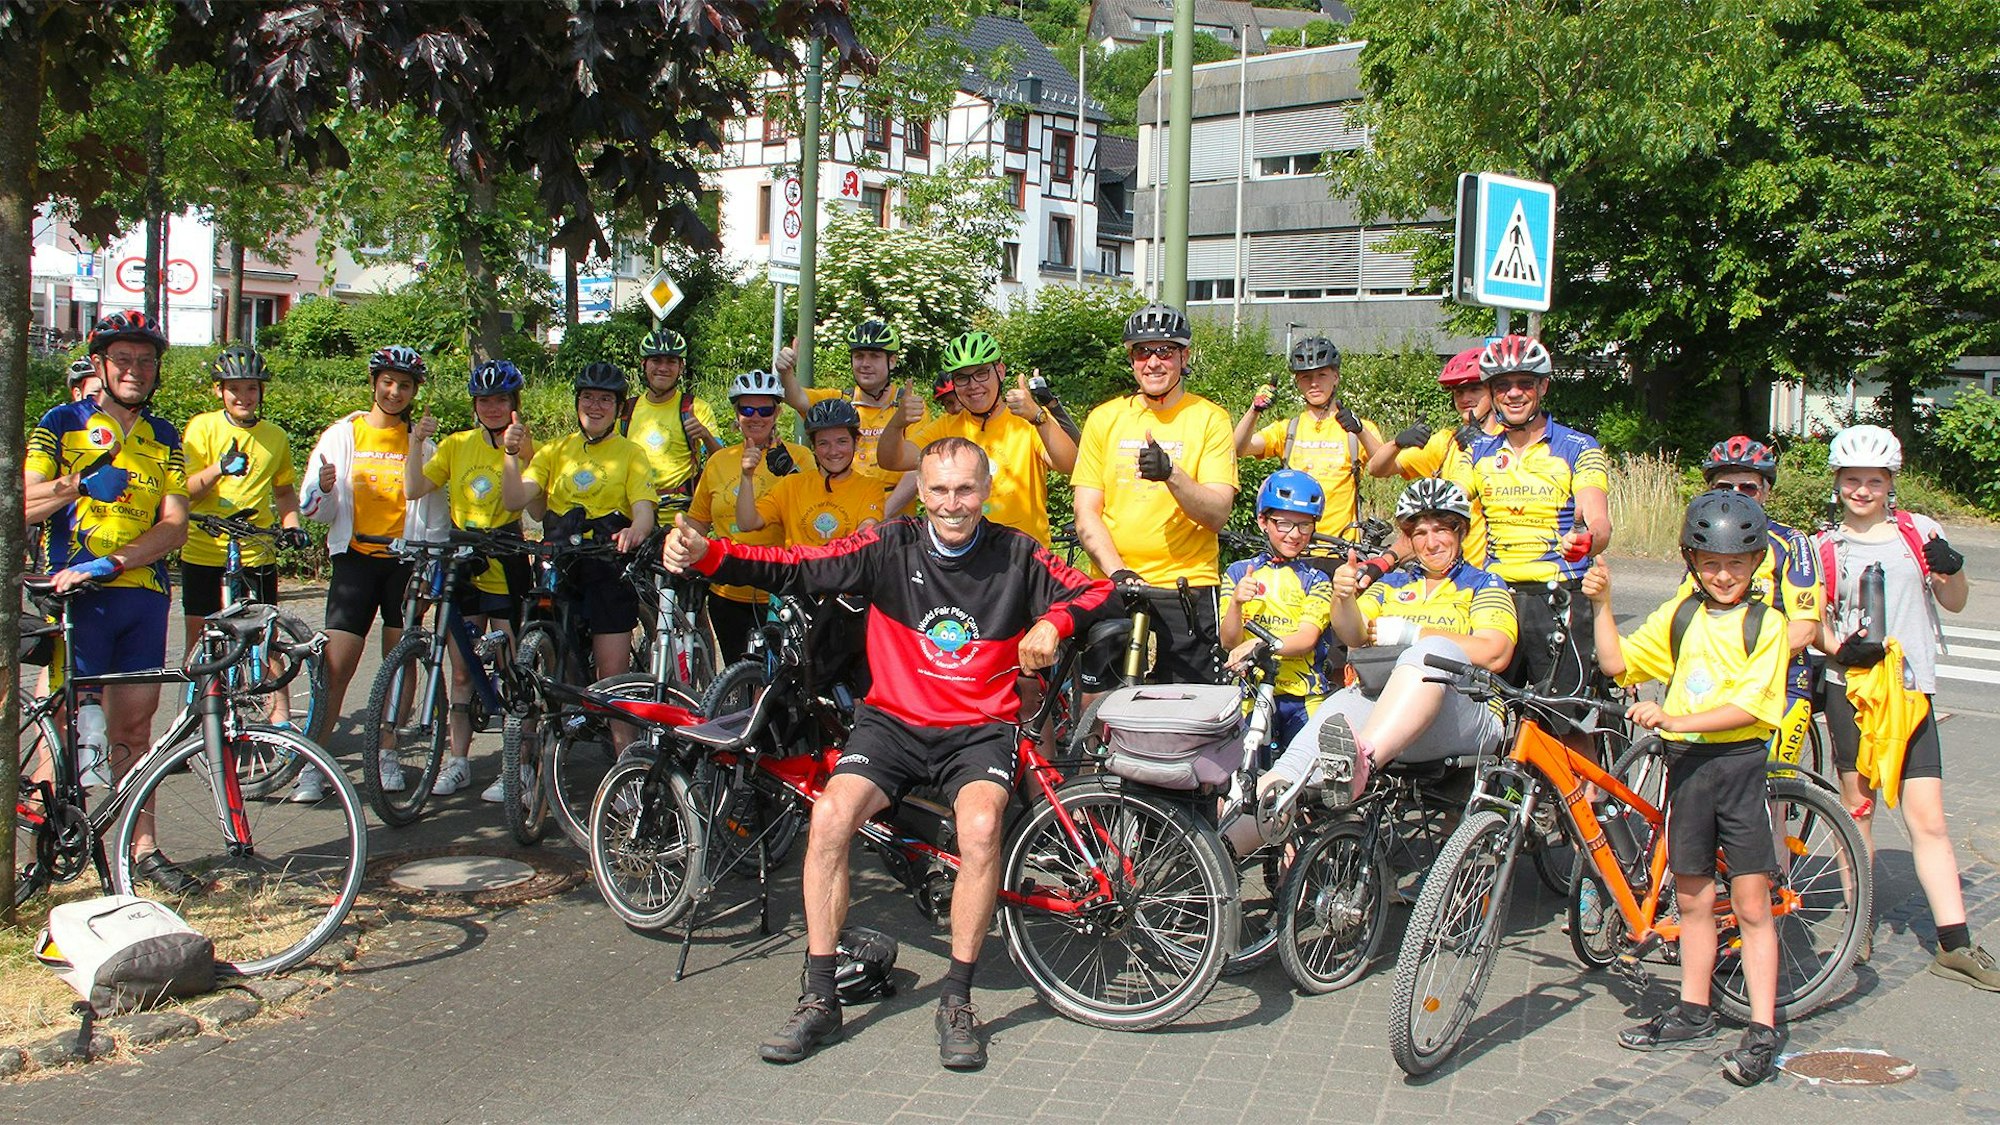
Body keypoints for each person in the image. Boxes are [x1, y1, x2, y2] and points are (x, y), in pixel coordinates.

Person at [660, 435, 1116, 1071]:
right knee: (829, 819)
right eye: (939, 490)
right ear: (920, 492)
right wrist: (711, 555)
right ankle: (820, 997)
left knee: (981, 829)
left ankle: (956, 999)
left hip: (978, 729)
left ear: (985, 489)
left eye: (965, 489)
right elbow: (793, 564)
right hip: (892, 726)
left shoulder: (1018, 553)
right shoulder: (887, 544)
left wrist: (1052, 622)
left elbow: (1100, 592)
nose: (952, 503)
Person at [1585, 491, 1788, 1085]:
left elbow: (1750, 705)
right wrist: (1603, 604)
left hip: (1740, 767)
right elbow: (1617, 664)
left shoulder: (1765, 624)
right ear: (1691, 561)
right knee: (1694, 898)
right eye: (1709, 563)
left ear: (1755, 564)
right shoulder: (1680, 615)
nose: (1723, 575)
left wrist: (1675, 719)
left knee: (1751, 904)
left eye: (1736, 563)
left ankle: (1762, 1026)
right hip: (1689, 773)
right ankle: (1694, 1010)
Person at [1813, 424, 1995, 989]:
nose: (1862, 490)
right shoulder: (1824, 545)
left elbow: (1955, 602)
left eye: (1874, 481)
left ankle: (1955, 943)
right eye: (1852, 480)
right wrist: (1840, 646)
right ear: (1838, 483)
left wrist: (1953, 567)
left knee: (1930, 820)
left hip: (1912, 694)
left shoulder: (1921, 533)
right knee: (1858, 810)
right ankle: (1860, 925)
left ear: (1891, 483)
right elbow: (1812, 620)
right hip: (1854, 691)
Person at [23, 311, 195, 893]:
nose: (135, 371)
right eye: (123, 360)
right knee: (70, 726)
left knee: (135, 730)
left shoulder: (166, 436)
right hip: (76, 601)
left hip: (140, 596)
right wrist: (75, 486)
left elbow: (174, 525)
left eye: (146, 362)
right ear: (99, 364)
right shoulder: (61, 422)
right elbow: (20, 504)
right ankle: (46, 850)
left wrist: (117, 561)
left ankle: (141, 848)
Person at [1259, 479, 1515, 803]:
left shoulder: (1484, 583)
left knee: (1429, 654)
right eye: (1420, 533)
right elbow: (1354, 633)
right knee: (1336, 710)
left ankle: (1362, 760)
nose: (1431, 542)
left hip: (1467, 715)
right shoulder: (1393, 584)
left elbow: (1496, 653)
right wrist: (1343, 597)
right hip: (1389, 715)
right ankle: (1244, 821)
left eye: (1442, 530)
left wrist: (1412, 635)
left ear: (1461, 531)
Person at [298, 345, 447, 799]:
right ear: (374, 383)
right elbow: (313, 509)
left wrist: (433, 563)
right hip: (356, 561)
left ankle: (386, 752)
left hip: (405, 562)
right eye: (388, 382)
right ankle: (315, 762)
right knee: (335, 665)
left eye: (404, 385)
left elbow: (437, 516)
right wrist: (321, 491)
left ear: (414, 391)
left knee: (399, 665)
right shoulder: (343, 435)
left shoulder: (421, 441)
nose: (395, 391)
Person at [1446, 335, 1610, 727]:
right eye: (1503, 385)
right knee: (1488, 718)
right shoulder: (1477, 452)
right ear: (1491, 392)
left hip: (1559, 597)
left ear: (1543, 387)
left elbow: (1597, 519)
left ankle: (1586, 791)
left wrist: (1587, 538)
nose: (1514, 394)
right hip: (1496, 597)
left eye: (1525, 384)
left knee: (1565, 725)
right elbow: (1440, 506)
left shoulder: (1577, 447)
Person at [1072, 303, 1238, 684]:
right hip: (1116, 580)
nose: (1153, 362)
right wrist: (1117, 572)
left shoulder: (1210, 418)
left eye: (1165, 350)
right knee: (1098, 703)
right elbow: (1086, 514)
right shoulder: (1104, 418)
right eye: (1142, 351)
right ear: (1131, 359)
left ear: (1184, 355)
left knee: (1186, 712)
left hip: (1186, 586)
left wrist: (1171, 474)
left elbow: (1217, 513)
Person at [501, 362, 655, 743]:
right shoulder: (556, 451)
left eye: (606, 399)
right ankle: (523, 767)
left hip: (606, 564)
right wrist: (509, 454)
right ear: (577, 402)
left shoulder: (631, 453)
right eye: (588, 397)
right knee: (537, 667)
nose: (596, 406)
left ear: (619, 408)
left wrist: (635, 531)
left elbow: (643, 509)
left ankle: (627, 775)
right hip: (560, 564)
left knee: (612, 678)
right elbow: (516, 498)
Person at [405, 359, 536, 804]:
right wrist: (415, 441)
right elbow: (414, 488)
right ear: (475, 405)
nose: (493, 407)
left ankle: (519, 766)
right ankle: (457, 762)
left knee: (513, 667)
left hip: (506, 558)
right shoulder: (457, 444)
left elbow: (535, 505)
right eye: (485, 400)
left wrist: (518, 452)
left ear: (514, 403)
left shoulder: (524, 442)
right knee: (462, 670)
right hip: (463, 557)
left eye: (501, 399)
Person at [180, 345, 308, 723]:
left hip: (255, 551)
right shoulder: (202, 427)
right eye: (234, 388)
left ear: (261, 392)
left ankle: (280, 727)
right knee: (199, 643)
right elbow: (185, 491)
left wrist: (292, 525)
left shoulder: (276, 437)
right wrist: (218, 469)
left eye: (251, 388)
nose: (243, 397)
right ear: (220, 391)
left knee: (263, 642)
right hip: (205, 549)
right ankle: (193, 721)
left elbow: (284, 492)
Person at [1688, 437, 1820, 769]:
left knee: (1769, 788)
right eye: (1723, 487)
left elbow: (1805, 629)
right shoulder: (1701, 541)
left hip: (1780, 683)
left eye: (1748, 488)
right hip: (1715, 683)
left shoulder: (1790, 542)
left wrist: (1743, 663)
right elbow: (1681, 617)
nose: (1735, 496)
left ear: (1766, 492)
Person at [876, 330, 1077, 547]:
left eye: (981, 373)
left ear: (1000, 371)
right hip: (964, 556)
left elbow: (1071, 464)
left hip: (1022, 555)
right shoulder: (945, 426)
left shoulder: (1028, 419)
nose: (973, 385)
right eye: (962, 378)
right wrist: (897, 423)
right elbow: (891, 460)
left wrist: (1039, 418)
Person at [685, 369, 810, 660]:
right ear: (736, 413)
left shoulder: (799, 457)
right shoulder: (718, 461)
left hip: (780, 591)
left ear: (778, 412)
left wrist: (792, 471)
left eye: (765, 409)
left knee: (779, 679)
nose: (756, 416)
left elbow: (813, 511)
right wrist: (681, 543)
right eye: (747, 408)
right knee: (735, 673)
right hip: (727, 591)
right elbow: (698, 520)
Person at [1219, 469, 1335, 750]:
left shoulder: (1317, 579)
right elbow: (1229, 642)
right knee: (1244, 779)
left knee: (1307, 781)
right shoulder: (1238, 572)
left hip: (1303, 697)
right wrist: (1235, 604)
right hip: (1250, 693)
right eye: (1283, 523)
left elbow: (1306, 639)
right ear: (1263, 521)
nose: (1294, 534)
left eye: (1304, 525)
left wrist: (1259, 645)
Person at [1233, 335, 1385, 536]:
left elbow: (1386, 465)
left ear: (1336, 377)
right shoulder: (1288, 429)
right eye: (1306, 377)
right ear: (1298, 383)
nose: (1314, 383)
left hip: (1340, 547)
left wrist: (1360, 431)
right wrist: (1254, 410)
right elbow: (1237, 448)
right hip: (1294, 544)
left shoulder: (1358, 429)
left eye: (1321, 375)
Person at [775, 319, 920, 515]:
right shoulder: (840, 400)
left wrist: (880, 513)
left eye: (875, 356)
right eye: (859, 356)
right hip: (845, 511)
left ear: (892, 361)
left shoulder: (906, 405)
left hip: (893, 519)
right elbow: (797, 398)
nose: (865, 364)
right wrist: (786, 373)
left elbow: (918, 467)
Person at [1370, 346, 1496, 563]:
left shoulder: (1511, 441)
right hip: (1450, 569)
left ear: (1494, 391)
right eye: (1458, 392)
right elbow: (1377, 469)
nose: (1465, 398)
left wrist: (1484, 445)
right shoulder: (1446, 442)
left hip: (1494, 571)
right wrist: (1397, 443)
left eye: (1474, 389)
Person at [737, 398, 893, 547]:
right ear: (814, 447)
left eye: (842, 441)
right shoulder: (791, 486)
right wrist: (746, 476)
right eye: (823, 443)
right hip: (800, 573)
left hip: (847, 572)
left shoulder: (870, 487)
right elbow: (747, 523)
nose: (833, 451)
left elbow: (867, 529)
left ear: (856, 442)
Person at [623, 327, 722, 500]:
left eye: (671, 362)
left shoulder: (697, 408)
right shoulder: (625, 410)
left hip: (680, 511)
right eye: (656, 360)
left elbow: (722, 460)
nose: (663, 368)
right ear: (643, 364)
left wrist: (705, 436)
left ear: (681, 367)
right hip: (633, 510)